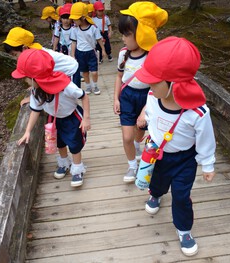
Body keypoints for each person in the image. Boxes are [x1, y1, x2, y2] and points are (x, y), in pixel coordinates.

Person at [134, 36, 217, 256]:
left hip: (184, 159)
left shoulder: (198, 113)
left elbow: (206, 141)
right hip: (158, 152)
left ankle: (184, 230)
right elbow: (151, 112)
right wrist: (145, 120)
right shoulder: (153, 95)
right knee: (158, 181)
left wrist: (207, 165)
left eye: (154, 80)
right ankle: (155, 194)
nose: (149, 85)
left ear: (174, 83)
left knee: (181, 195)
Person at [13, 49, 91, 187]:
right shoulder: (36, 91)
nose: (25, 81)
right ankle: (64, 163)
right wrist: (28, 131)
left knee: (74, 145)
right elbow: (35, 110)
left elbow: (84, 96)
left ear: (36, 78)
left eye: (26, 78)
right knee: (59, 142)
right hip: (54, 119)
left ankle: (77, 169)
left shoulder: (65, 84)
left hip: (71, 118)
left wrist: (86, 118)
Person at [113, 2, 168, 183]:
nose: (123, 39)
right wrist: (116, 98)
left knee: (140, 128)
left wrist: (146, 109)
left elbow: (157, 87)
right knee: (127, 135)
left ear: (142, 34)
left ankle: (137, 144)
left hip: (147, 97)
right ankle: (132, 165)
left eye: (127, 34)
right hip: (127, 96)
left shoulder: (152, 57)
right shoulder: (123, 54)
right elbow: (119, 77)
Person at [2, 27, 81, 90]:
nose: (15, 58)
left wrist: (35, 91)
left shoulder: (37, 57)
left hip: (70, 70)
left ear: (25, 48)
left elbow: (41, 76)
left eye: (15, 54)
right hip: (61, 72)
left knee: (69, 100)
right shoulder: (32, 53)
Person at [69, 2, 106, 95]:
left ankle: (95, 85)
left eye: (76, 19)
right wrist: (73, 55)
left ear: (83, 17)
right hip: (80, 53)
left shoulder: (93, 28)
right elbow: (74, 42)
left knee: (94, 72)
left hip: (91, 52)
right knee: (84, 72)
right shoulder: (75, 29)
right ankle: (88, 86)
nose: (74, 21)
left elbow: (99, 39)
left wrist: (103, 50)